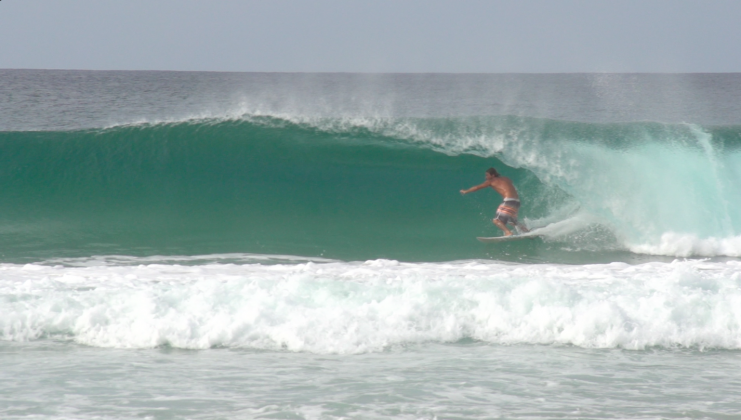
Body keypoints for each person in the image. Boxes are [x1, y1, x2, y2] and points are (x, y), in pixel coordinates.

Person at [460, 168, 529, 236]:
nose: (486, 177)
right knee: (512, 221)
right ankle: (526, 231)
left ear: (493, 175)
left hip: (508, 201)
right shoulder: (506, 178)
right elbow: (510, 184)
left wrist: (466, 191)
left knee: (496, 221)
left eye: (487, 175)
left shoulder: (491, 181)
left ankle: (508, 232)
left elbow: (476, 188)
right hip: (516, 202)